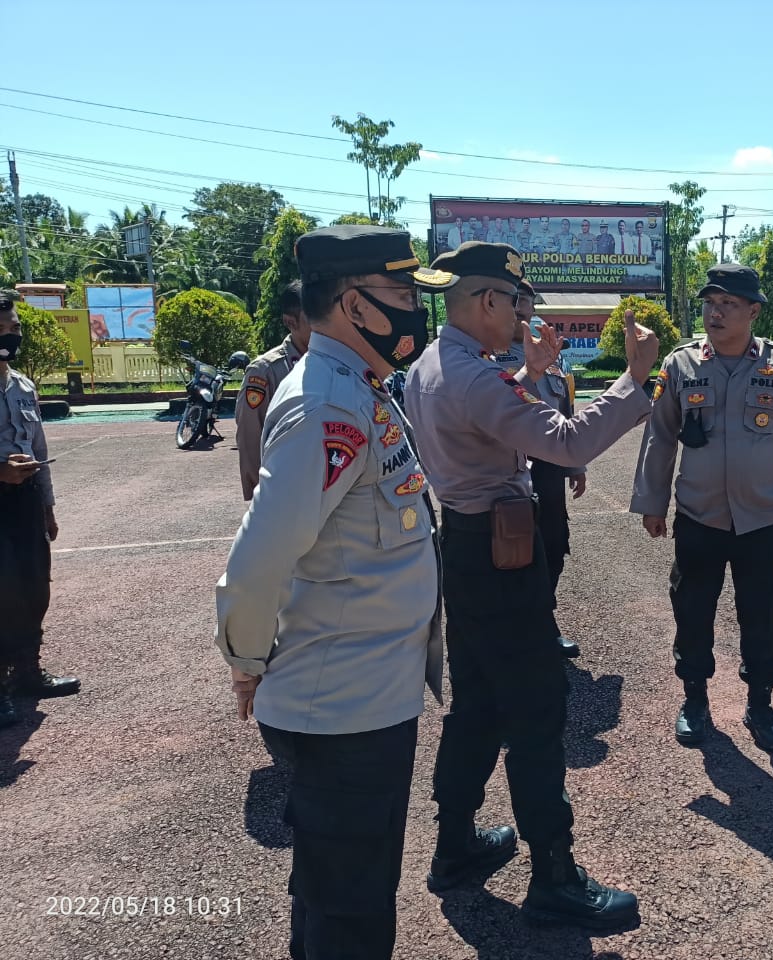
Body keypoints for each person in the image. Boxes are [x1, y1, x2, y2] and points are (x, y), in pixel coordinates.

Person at [404, 240, 658, 929]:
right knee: (538, 712)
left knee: (478, 704)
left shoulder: (437, 364)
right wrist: (633, 380)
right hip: (502, 554)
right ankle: (554, 876)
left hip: (466, 544)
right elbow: (569, 443)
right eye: (514, 304)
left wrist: (528, 369)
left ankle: (453, 847)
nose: (521, 316)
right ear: (486, 301)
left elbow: (486, 413)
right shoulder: (475, 377)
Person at [214, 225, 443, 960]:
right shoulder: (327, 407)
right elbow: (256, 563)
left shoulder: (356, 387)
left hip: (367, 696)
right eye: (404, 294)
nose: (416, 310)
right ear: (356, 305)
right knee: (350, 909)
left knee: (342, 889)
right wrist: (249, 662)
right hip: (343, 709)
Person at [630, 263, 773, 753]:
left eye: (727, 305)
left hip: (761, 518)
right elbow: (659, 437)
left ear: (753, 312)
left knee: (762, 612)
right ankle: (695, 699)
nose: (714, 313)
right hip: (698, 516)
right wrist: (652, 501)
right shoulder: (680, 366)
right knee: (693, 610)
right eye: (709, 303)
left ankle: (760, 703)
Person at [490, 279, 585, 657]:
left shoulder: (551, 355)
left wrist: (576, 463)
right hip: (507, 468)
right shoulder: (488, 357)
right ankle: (515, 628)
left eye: (525, 302)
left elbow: (566, 411)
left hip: (548, 468)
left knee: (554, 544)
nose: (520, 310)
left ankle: (543, 621)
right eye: (513, 302)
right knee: (509, 549)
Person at [0, 292, 78, 728]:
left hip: (26, 500)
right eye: (1, 331)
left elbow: (40, 449)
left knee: (33, 585)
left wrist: (48, 507)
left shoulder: (24, 386)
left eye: (13, 329)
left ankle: (29, 672)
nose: (10, 337)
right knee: (3, 590)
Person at [234, 281, 311, 500]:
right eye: (312, 318)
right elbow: (250, 435)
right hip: (284, 490)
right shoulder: (267, 370)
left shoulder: (336, 363)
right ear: (290, 322)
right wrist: (262, 493)